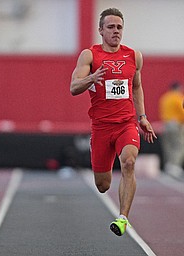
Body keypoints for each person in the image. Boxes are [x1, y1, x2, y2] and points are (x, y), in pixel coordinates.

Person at [70, 8, 157, 236]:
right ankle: (97, 152)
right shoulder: (89, 55)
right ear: (100, 30)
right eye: (110, 27)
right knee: (103, 185)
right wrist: (92, 77)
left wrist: (142, 117)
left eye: (119, 27)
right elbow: (73, 88)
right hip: (101, 127)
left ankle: (122, 218)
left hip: (126, 123)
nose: (116, 31)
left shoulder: (133, 56)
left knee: (128, 162)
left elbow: (136, 87)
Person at [159, 81, 184, 177]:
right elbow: (182, 110)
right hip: (176, 123)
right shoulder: (178, 98)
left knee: (168, 145)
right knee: (179, 145)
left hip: (166, 123)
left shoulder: (165, 98)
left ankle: (168, 166)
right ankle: (174, 166)